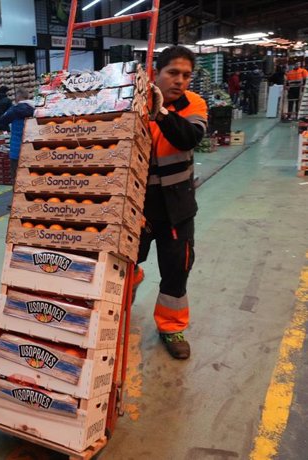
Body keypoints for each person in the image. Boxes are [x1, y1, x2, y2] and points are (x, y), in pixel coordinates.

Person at [133, 45, 208, 360]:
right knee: (122, 266)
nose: (180, 80)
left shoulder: (195, 105)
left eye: (186, 75)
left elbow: (188, 138)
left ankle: (171, 326)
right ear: (155, 73)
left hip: (176, 208)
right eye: (172, 73)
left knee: (177, 269)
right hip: (136, 206)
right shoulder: (132, 106)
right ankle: (115, 312)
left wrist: (160, 110)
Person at [0, 88, 34, 181]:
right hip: (31, 147)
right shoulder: (36, 109)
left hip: (17, 149)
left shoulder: (14, 110)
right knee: (31, 175)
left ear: (18, 98)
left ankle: (18, 194)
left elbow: (2, 120)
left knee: (16, 176)